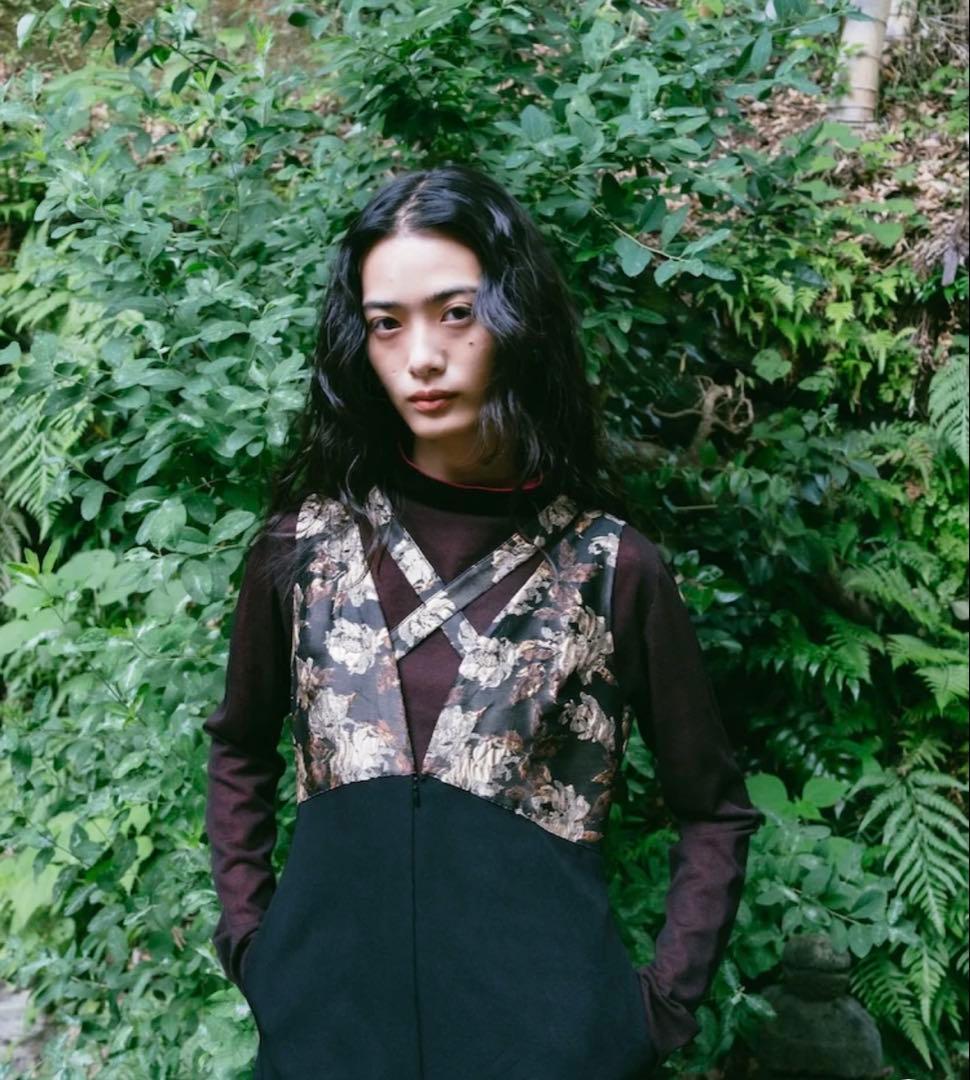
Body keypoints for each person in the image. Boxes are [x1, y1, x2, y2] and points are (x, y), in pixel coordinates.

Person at [203, 163, 763, 1080]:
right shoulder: (303, 550)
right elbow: (238, 748)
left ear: (516, 318)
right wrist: (256, 950)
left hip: (553, 1054)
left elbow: (715, 810)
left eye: (455, 312)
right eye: (387, 323)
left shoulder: (611, 568)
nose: (421, 356)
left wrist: (653, 1010)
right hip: (322, 1048)